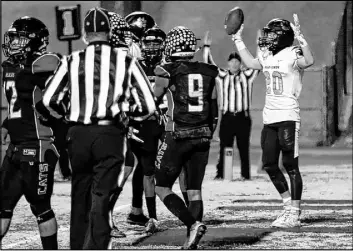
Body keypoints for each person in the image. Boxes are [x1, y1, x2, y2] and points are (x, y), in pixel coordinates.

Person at [37, 7, 156, 249]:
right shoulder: (125, 61)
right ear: (109, 32)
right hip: (110, 133)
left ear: (84, 34)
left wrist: (66, 115)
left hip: (78, 133)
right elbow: (148, 105)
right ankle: (97, 246)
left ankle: (79, 246)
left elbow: (49, 99)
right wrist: (128, 117)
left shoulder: (72, 60)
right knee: (102, 195)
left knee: (80, 193)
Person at [232, 14, 314, 228]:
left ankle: (294, 213)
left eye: (271, 34)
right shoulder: (267, 54)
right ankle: (287, 205)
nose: (266, 38)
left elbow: (309, 61)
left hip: (288, 116)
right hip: (270, 117)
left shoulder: (292, 53)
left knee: (290, 165)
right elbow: (250, 62)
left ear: (283, 37)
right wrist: (237, 39)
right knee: (269, 164)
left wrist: (302, 39)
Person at [153, 26, 221, 249]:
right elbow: (213, 106)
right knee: (194, 190)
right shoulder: (209, 70)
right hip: (203, 133)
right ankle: (190, 240)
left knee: (161, 187)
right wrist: (211, 131)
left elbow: (154, 98)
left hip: (177, 133)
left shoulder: (165, 70)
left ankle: (192, 224)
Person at [0, 16, 61, 249]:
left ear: (35, 41)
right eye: (13, 38)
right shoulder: (10, 67)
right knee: (3, 204)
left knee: (40, 206)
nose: (14, 42)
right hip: (15, 147)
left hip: (37, 146)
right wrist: (7, 123)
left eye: (19, 38)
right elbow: (22, 101)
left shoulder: (43, 64)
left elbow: (55, 66)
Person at [202, 31, 259, 180]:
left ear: (240, 63)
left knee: (243, 148)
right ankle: (221, 173)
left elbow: (258, 63)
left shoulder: (247, 76)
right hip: (227, 117)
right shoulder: (222, 76)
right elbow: (210, 64)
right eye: (232, 61)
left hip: (243, 117)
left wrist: (259, 44)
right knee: (224, 147)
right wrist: (206, 46)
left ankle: (245, 175)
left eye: (237, 61)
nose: (234, 64)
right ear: (228, 63)